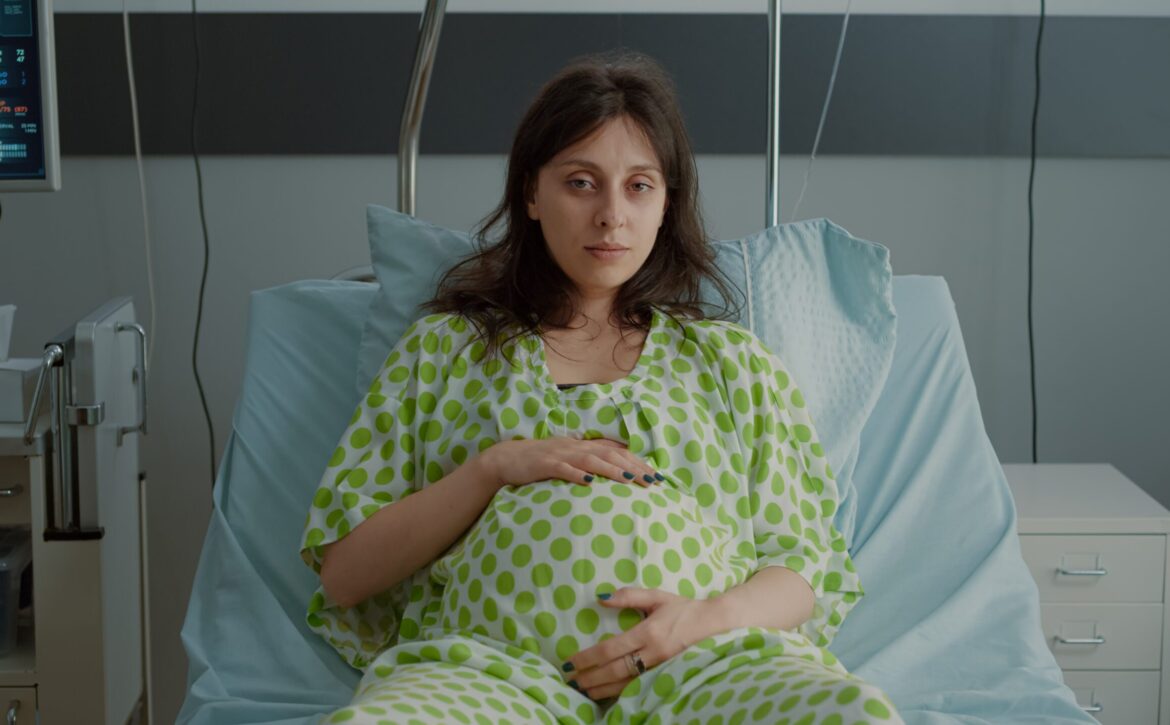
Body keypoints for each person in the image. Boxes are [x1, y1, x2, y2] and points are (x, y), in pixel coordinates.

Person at [299, 50, 903, 724]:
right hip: (488, 671)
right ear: (531, 193)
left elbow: (804, 568)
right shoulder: (444, 352)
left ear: (667, 200)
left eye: (639, 185)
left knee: (852, 714)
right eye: (582, 183)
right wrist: (495, 467)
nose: (613, 215)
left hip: (707, 665)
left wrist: (700, 622)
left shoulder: (733, 364)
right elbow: (346, 574)